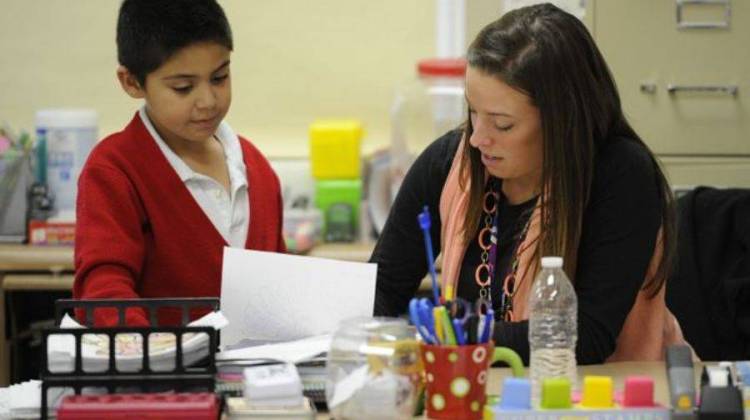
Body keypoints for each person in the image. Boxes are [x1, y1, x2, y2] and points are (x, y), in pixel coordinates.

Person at [372, 3, 692, 363]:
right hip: (482, 392)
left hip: (608, 396)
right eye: (473, 113)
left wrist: (457, 337)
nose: (477, 139)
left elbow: (585, 337)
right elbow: (380, 290)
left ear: (562, 123)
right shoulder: (452, 162)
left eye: (502, 124)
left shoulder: (620, 173)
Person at [74, 0, 285, 326]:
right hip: (158, 373)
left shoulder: (254, 167)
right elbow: (104, 290)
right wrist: (150, 352)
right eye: (183, 88)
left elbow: (281, 285)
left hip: (254, 373)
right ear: (131, 82)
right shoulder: (114, 170)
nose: (208, 101)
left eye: (220, 78)